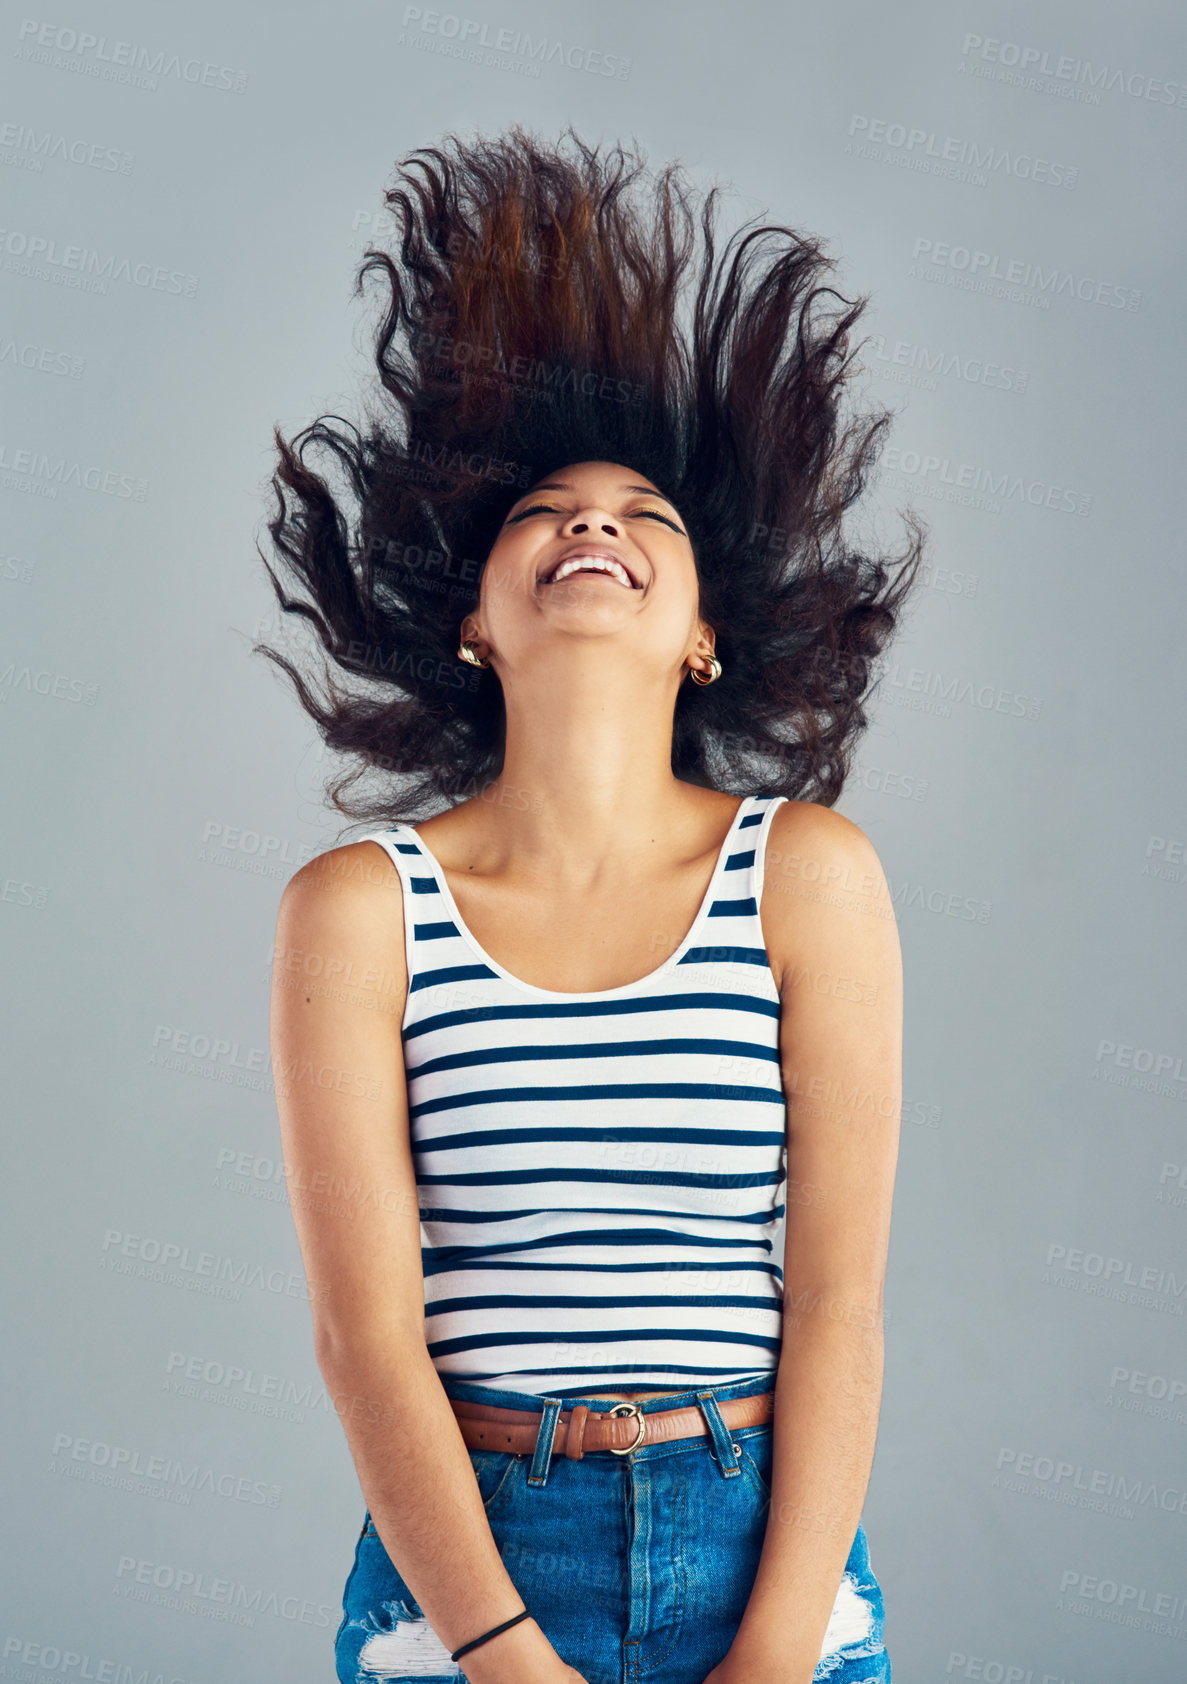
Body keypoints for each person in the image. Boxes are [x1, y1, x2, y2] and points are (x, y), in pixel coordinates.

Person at [263, 126, 924, 1684]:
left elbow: (837, 1298)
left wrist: (772, 1656)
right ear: (477, 622)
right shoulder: (358, 913)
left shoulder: (808, 879)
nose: (597, 525)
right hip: (468, 1562)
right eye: (544, 512)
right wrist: (502, 1651)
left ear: (704, 634)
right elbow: (368, 1337)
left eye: (650, 518)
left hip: (771, 1542)